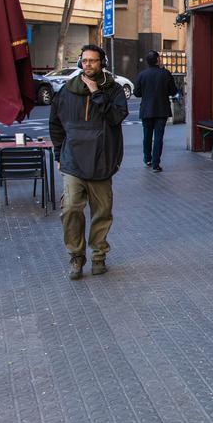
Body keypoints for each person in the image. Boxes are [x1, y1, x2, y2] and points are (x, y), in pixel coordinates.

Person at [49, 44, 128, 280]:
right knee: (71, 208)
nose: (88, 65)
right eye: (84, 61)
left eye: (93, 61)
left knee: (102, 213)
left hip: (102, 162)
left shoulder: (113, 90)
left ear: (102, 63)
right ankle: (76, 256)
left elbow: (116, 117)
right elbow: (55, 124)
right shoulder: (66, 91)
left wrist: (96, 94)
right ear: (79, 63)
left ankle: (98, 256)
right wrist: (57, 155)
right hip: (72, 160)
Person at [133, 50, 178, 172]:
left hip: (146, 110)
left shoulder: (142, 75)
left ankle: (147, 158)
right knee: (159, 137)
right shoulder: (165, 74)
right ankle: (156, 164)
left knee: (147, 136)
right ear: (158, 60)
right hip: (161, 110)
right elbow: (173, 91)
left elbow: (136, 93)